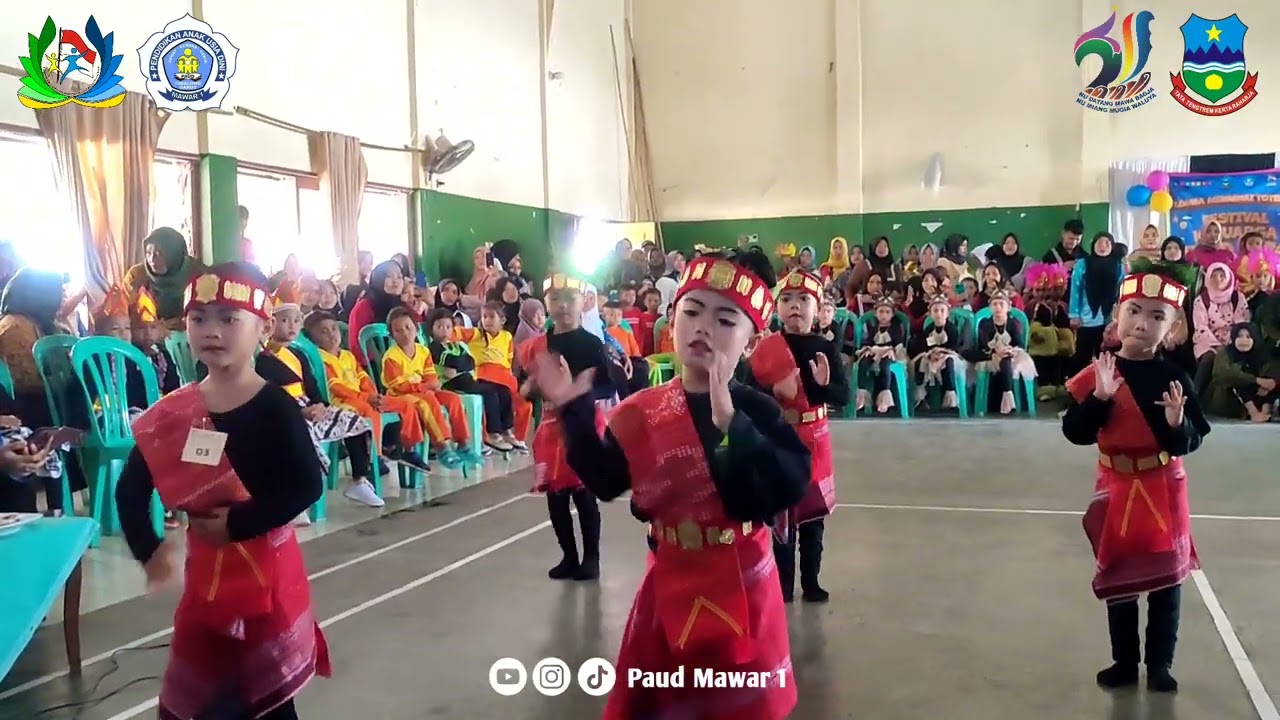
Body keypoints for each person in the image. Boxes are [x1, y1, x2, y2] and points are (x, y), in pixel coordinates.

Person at [530, 255, 810, 719]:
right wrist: (575, 411)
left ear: (751, 340)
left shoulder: (756, 411)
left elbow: (781, 491)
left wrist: (731, 427)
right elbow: (604, 480)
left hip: (740, 579)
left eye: (725, 319)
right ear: (672, 319)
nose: (703, 327)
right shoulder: (642, 410)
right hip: (670, 579)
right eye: (692, 311)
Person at [116, 262, 330, 719]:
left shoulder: (275, 406)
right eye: (199, 318)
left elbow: (307, 483)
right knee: (198, 696)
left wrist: (239, 523)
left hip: (264, 583)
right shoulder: (175, 414)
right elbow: (131, 487)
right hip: (205, 583)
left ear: (263, 328)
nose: (211, 330)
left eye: (228, 319)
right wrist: (149, 549)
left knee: (265, 700)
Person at [1061, 268, 1210, 694]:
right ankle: (1124, 661)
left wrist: (1177, 424)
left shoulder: (1175, 379)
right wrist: (1101, 399)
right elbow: (1075, 432)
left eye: (1157, 316)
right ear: (1117, 315)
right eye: (1134, 311)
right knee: (1120, 580)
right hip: (1117, 485)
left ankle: (1159, 663)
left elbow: (1190, 442)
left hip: (1163, 487)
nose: (1143, 322)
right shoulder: (1099, 372)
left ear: (1173, 328)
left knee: (1166, 583)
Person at [747, 269, 849, 603]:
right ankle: (782, 585)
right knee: (780, 516)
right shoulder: (767, 348)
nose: (795, 306)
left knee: (812, 518)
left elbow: (843, 397)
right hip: (779, 438)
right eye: (787, 299)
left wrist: (820, 386)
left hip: (814, 439)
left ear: (818, 308)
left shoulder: (825, 348)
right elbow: (747, 394)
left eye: (804, 299)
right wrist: (772, 392)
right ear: (777, 308)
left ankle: (811, 581)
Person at [518, 272, 618, 580]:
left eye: (570, 299)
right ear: (546, 304)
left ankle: (592, 558)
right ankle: (569, 556)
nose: (563, 306)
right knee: (556, 496)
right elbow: (524, 389)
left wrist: (573, 388)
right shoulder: (538, 346)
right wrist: (533, 387)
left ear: (584, 303)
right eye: (556, 299)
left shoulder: (592, 344)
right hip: (549, 427)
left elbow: (606, 387)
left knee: (584, 493)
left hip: (583, 425)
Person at [260, 282, 379, 516]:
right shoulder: (265, 358)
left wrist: (320, 406)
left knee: (355, 421)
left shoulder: (300, 354)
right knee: (301, 436)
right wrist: (300, 412)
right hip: (285, 412)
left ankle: (359, 480)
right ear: (270, 324)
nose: (291, 326)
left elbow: (312, 387)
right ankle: (297, 499)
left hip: (309, 407)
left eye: (295, 320)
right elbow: (270, 393)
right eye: (284, 320)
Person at [304, 311, 429, 471]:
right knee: (368, 410)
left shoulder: (347, 355)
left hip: (364, 398)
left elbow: (363, 378)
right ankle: (374, 457)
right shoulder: (320, 359)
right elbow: (336, 388)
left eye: (334, 328)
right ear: (312, 338)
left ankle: (408, 449)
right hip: (341, 403)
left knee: (405, 406)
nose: (331, 334)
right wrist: (365, 398)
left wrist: (373, 396)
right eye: (323, 331)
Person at [380, 306, 475, 468]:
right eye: (398, 330)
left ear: (416, 329)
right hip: (399, 395)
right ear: (392, 335)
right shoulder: (391, 357)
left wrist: (426, 386)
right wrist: (426, 386)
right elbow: (400, 387)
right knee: (426, 401)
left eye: (408, 328)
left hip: (422, 390)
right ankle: (441, 445)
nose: (404, 333)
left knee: (452, 399)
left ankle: (462, 442)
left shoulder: (423, 351)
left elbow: (432, 379)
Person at [424, 308, 516, 452]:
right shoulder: (433, 348)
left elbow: (470, 362)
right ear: (431, 329)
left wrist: (458, 366)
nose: (444, 331)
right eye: (439, 327)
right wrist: (460, 364)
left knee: (503, 390)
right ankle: (492, 433)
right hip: (450, 383)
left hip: (466, 378)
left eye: (448, 327)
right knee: (489, 392)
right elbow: (452, 360)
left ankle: (506, 430)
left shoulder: (456, 345)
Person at [122, 227, 204, 327]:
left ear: (174, 254)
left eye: (158, 254)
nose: (152, 259)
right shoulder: (136, 275)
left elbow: (205, 314)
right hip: (146, 337)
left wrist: (169, 326)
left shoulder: (199, 274)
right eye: (148, 253)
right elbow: (124, 315)